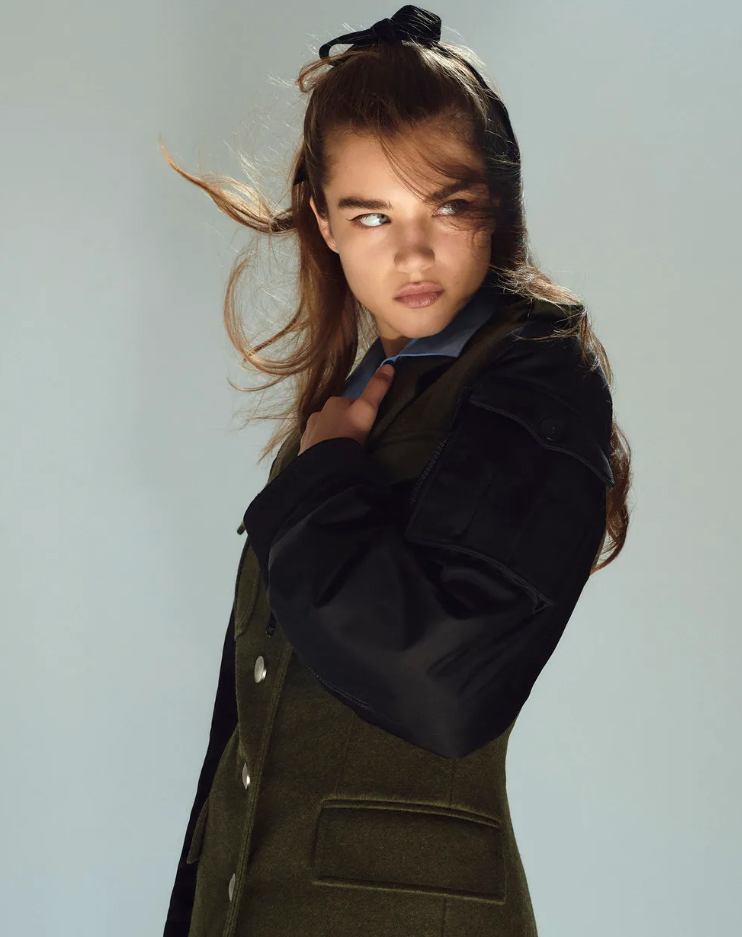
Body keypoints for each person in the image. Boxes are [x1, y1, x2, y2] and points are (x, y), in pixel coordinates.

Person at [160, 6, 632, 936]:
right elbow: (249, 729)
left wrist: (325, 477)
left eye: (447, 206)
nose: (412, 253)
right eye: (371, 215)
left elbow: (444, 683)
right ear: (324, 223)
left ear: (497, 207)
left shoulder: (537, 377)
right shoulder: (360, 394)